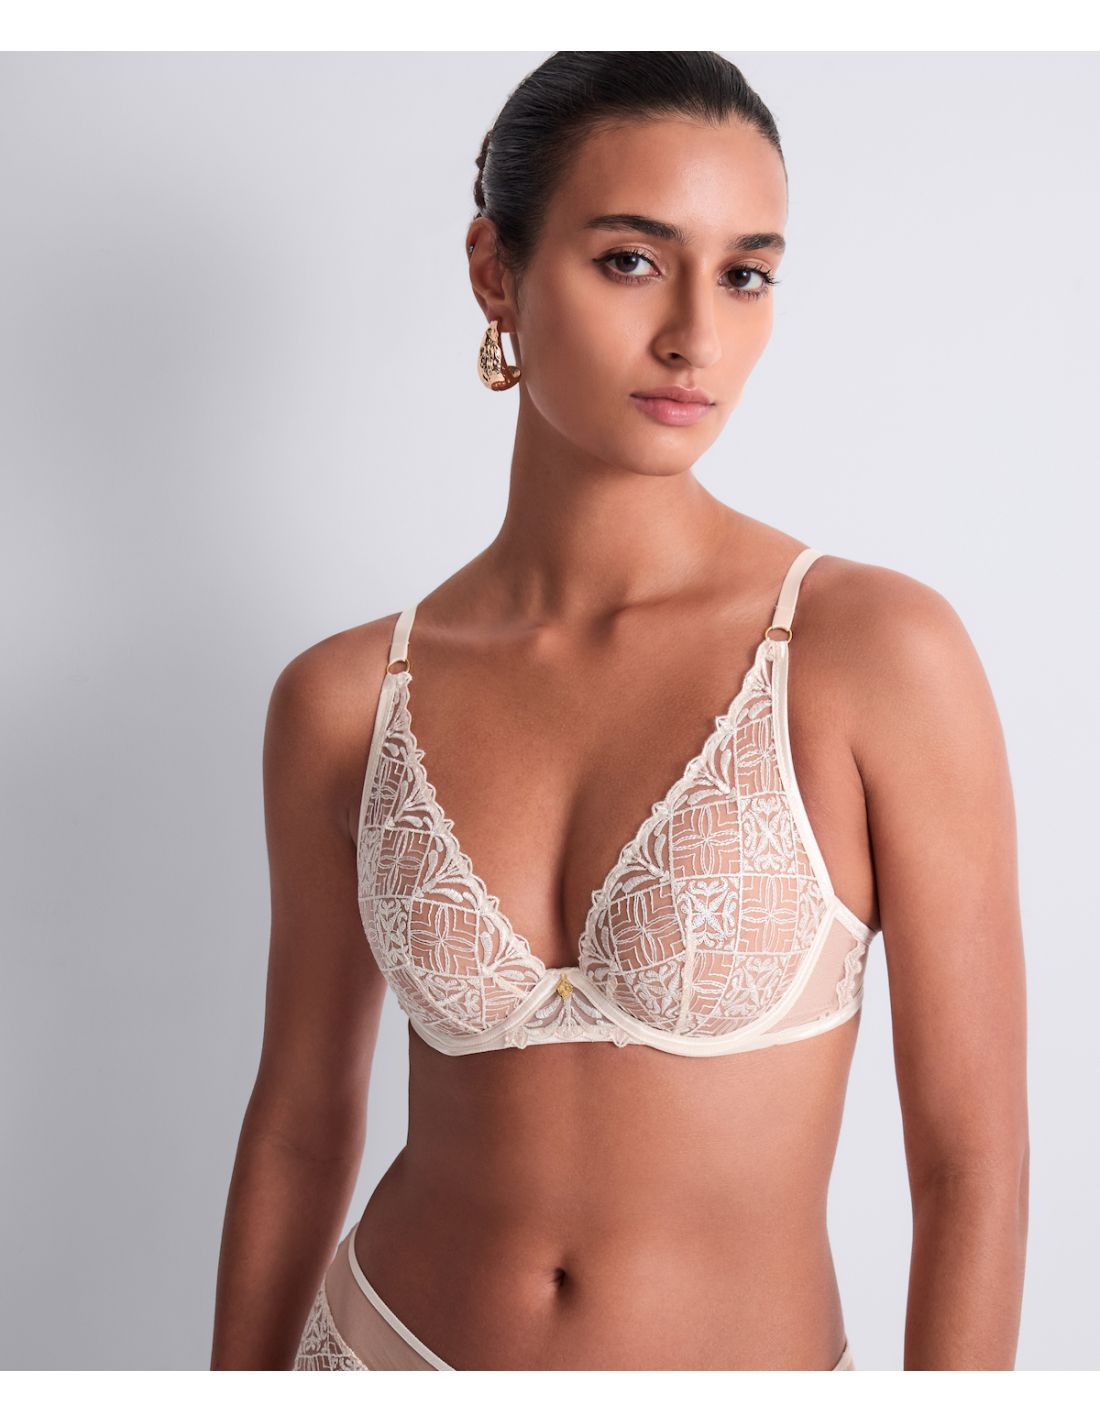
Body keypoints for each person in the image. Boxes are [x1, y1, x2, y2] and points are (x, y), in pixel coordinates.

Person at [210, 51, 1028, 1371]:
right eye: (632, 261)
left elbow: (971, 1161)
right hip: (373, 1356)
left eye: (745, 274)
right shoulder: (347, 698)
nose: (696, 334)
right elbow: (301, 1125)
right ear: (497, 272)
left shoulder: (872, 653)